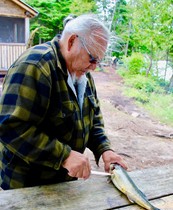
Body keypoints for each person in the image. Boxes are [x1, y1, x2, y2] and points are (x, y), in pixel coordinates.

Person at [0, 14, 127, 190]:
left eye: (98, 60)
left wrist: (105, 150)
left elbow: (93, 118)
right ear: (71, 42)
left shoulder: (82, 73)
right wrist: (64, 156)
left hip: (62, 183)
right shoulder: (35, 66)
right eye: (92, 58)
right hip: (27, 186)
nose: (94, 67)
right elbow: (10, 127)